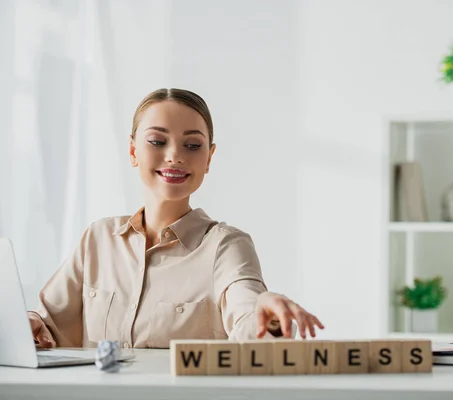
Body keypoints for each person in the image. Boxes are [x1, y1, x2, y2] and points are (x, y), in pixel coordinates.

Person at [27, 88, 324, 349]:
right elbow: (47, 322)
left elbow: (249, 320)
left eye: (192, 146)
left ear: (208, 158)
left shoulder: (226, 246)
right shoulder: (98, 238)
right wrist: (31, 326)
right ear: (133, 151)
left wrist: (265, 314)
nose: (174, 156)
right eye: (157, 141)